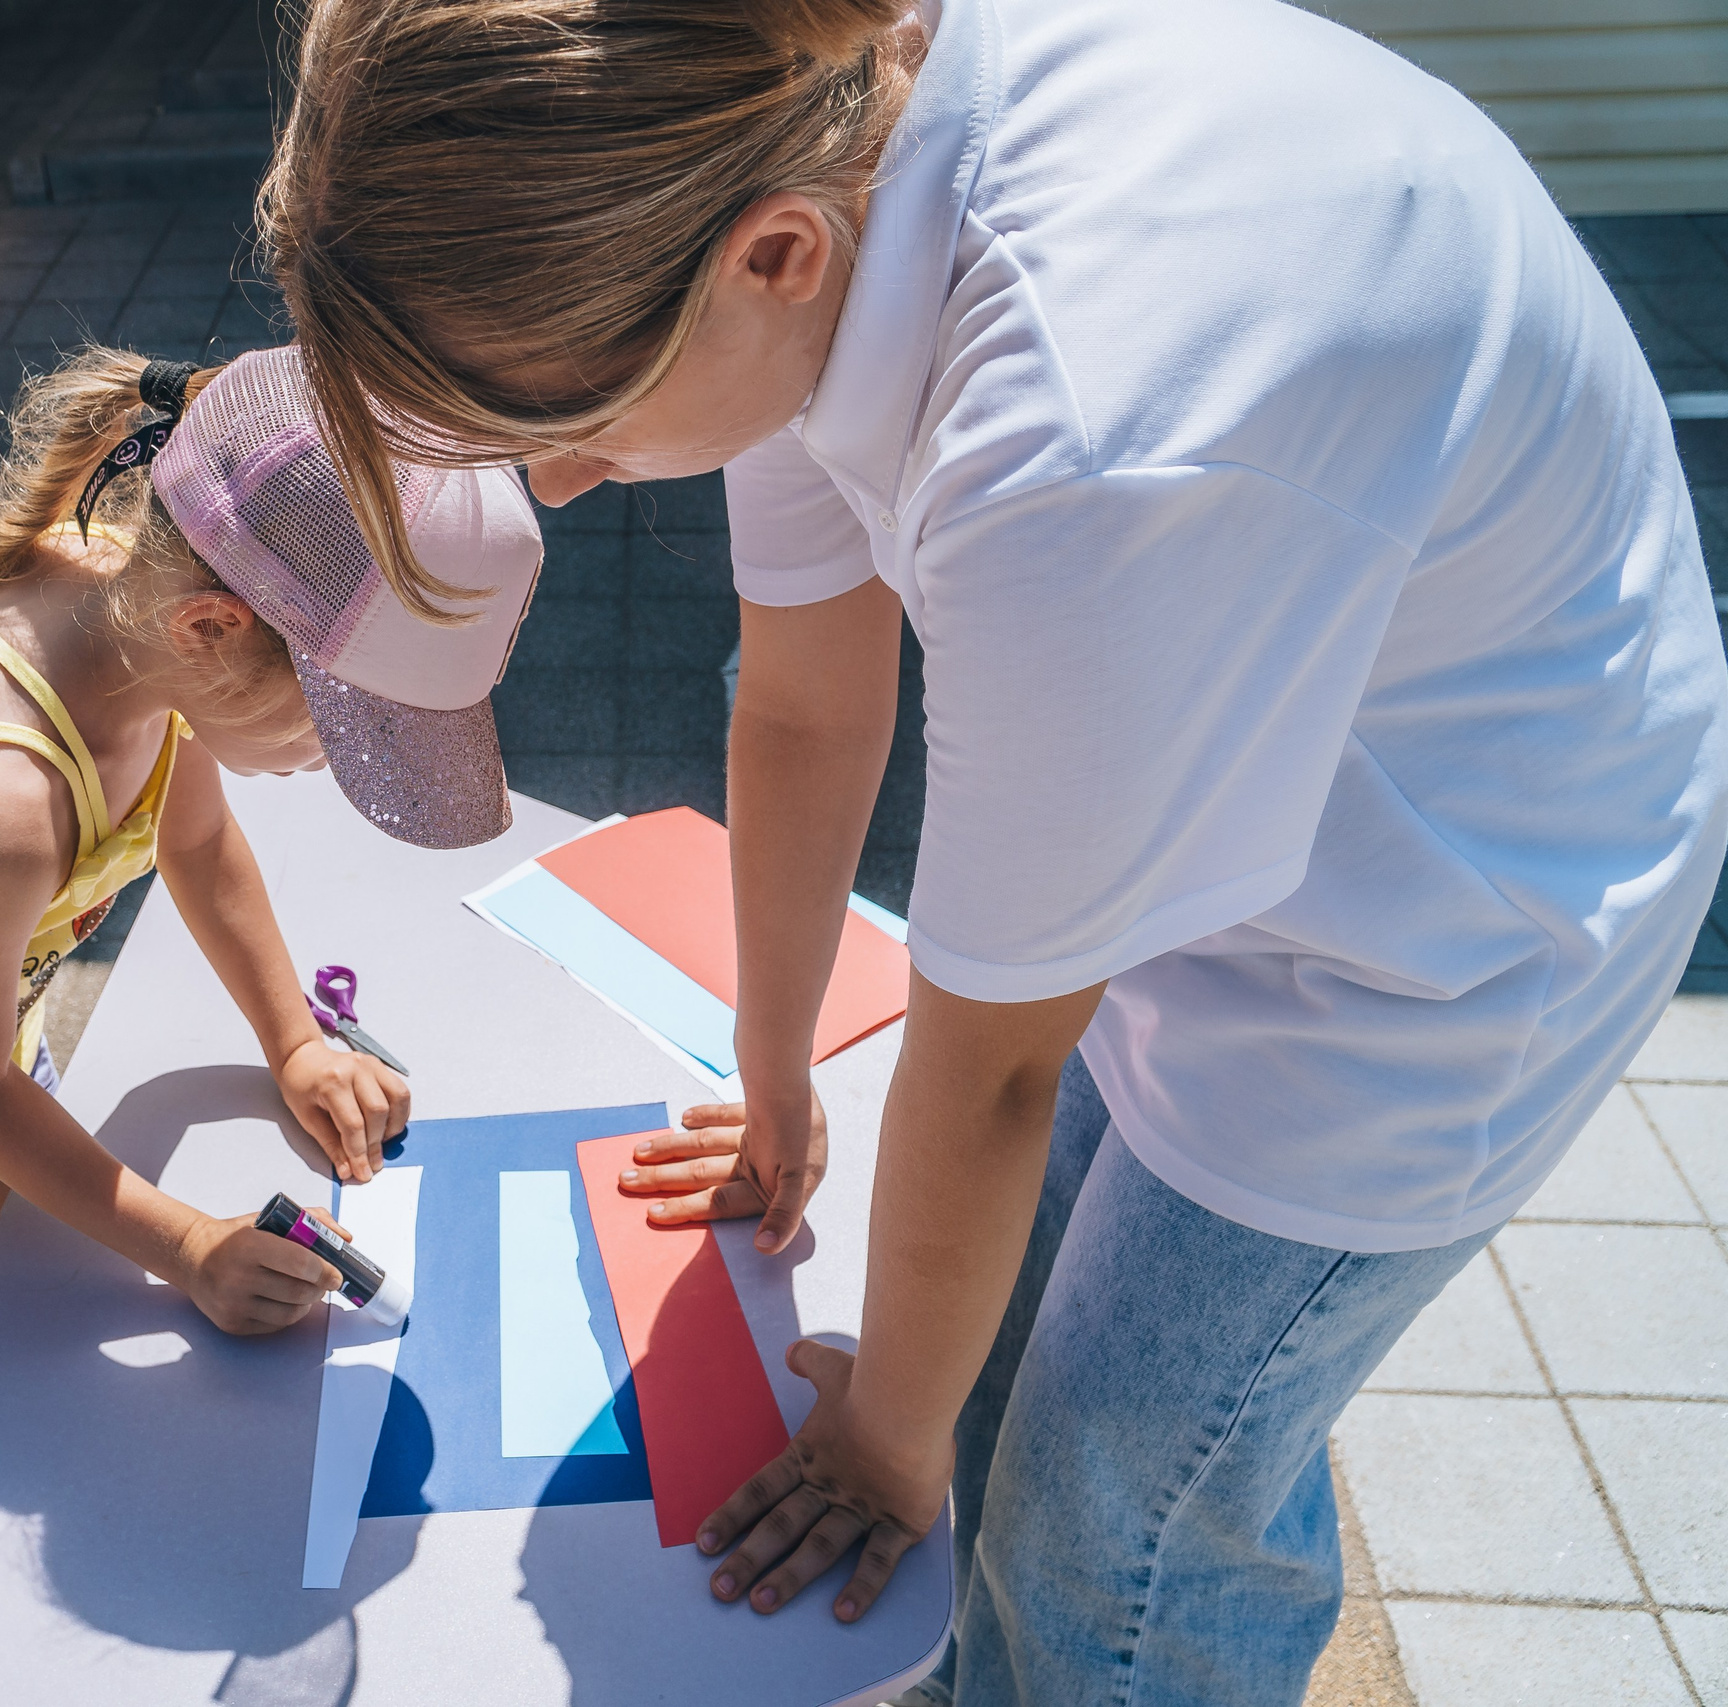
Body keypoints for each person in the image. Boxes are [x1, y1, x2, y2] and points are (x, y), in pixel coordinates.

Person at [259, 0, 1728, 1701]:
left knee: (1121, 1515)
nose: (571, 484)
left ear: (776, 259)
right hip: (1269, 746)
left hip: (1464, 910)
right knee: (1015, 1344)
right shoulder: (793, 153)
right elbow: (809, 704)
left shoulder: (1076, 435)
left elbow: (997, 1071)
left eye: (565, 419)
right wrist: (780, 1068)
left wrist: (886, 1450)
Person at [0, 343, 544, 1706]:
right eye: (338, 729)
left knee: (53, 1332)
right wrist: (188, 1242)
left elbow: (206, 854)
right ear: (215, 633)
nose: (329, 763)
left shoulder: (150, 638)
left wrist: (296, 1039)